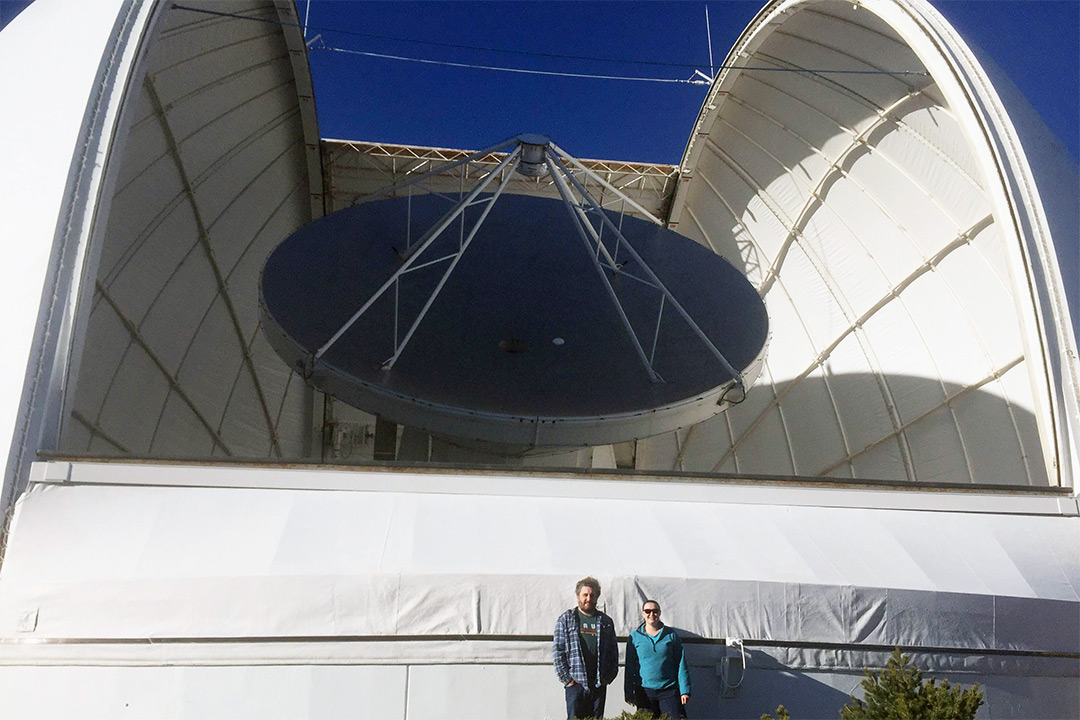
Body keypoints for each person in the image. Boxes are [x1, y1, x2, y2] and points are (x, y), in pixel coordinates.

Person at [553, 576, 619, 719]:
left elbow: (613, 652)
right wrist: (567, 680)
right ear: (578, 597)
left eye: (592, 595)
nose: (588, 598)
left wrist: (607, 677)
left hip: (598, 683)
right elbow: (558, 651)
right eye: (585, 595)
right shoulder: (567, 619)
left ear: (596, 598)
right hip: (576, 684)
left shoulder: (605, 622)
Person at [625, 600, 691, 718]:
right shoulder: (634, 637)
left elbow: (681, 663)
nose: (651, 614)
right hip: (644, 691)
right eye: (648, 611)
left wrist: (684, 690)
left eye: (655, 611)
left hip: (668, 690)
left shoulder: (671, 635)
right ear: (643, 614)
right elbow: (630, 666)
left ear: (659, 613)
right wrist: (628, 692)